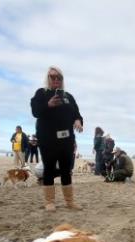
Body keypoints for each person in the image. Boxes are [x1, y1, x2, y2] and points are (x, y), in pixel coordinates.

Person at [31, 66, 83, 211]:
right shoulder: (41, 93)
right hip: (48, 139)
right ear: (47, 78)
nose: (55, 80)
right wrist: (48, 105)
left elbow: (77, 114)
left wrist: (78, 121)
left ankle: (69, 201)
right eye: (52, 77)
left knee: (66, 170)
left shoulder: (68, 96)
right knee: (49, 169)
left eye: (58, 77)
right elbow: (35, 111)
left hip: (66, 140)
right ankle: (50, 202)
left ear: (62, 80)